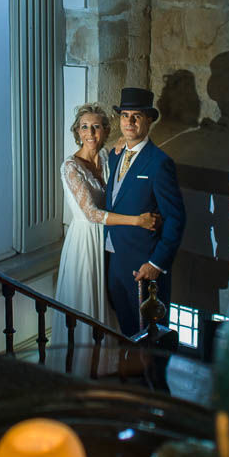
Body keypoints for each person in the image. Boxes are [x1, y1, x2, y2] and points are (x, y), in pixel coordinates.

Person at [53, 104, 160, 348]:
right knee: (87, 300)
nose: (90, 133)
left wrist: (124, 140)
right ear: (77, 132)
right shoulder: (70, 167)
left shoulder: (107, 158)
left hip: (109, 239)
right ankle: (81, 361)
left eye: (96, 127)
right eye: (84, 127)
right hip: (85, 241)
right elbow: (91, 213)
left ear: (104, 131)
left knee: (110, 300)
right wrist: (137, 220)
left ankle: (107, 359)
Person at [102, 87, 186, 337]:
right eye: (125, 115)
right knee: (125, 332)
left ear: (148, 119)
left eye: (136, 116)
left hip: (143, 264)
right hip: (113, 258)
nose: (129, 122)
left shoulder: (160, 163)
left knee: (148, 336)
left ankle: (152, 378)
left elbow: (176, 218)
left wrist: (156, 263)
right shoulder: (115, 157)